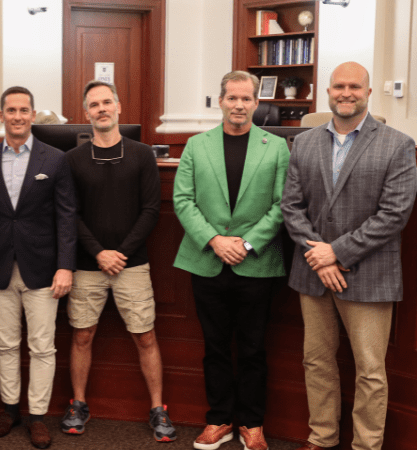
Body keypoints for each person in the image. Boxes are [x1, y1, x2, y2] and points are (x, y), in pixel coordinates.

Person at [281, 61, 417, 450]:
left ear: (368, 93)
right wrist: (319, 256)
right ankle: (322, 437)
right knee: (316, 361)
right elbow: (291, 207)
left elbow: (394, 214)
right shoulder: (304, 143)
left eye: (354, 87)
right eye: (339, 86)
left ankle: (365, 445)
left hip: (369, 274)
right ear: (328, 92)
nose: (346, 93)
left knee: (370, 370)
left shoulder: (397, 144)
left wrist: (335, 253)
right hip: (313, 273)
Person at [173, 70, 290, 450]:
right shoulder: (196, 145)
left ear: (257, 103)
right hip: (208, 261)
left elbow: (282, 204)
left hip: (257, 263)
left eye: (246, 99)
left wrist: (248, 243)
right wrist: (215, 240)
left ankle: (252, 425)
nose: (239, 105)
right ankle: (219, 420)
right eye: (232, 98)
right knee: (215, 346)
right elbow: (182, 200)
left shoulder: (277, 147)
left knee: (254, 349)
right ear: (221, 100)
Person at [62, 80, 177, 443]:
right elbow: (70, 213)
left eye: (107, 102)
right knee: (82, 335)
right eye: (94, 104)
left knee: (145, 335)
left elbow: (151, 209)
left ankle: (158, 409)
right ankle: (78, 404)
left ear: (118, 106)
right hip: (87, 264)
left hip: (132, 264)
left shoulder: (142, 155)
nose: (102, 109)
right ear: (86, 113)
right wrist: (99, 252)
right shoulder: (72, 160)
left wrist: (120, 253)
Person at [0, 86, 76, 449]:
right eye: (11, 110)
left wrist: (65, 266)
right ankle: (10, 410)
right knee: (5, 344)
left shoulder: (55, 159)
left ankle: (37, 416)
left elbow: (66, 217)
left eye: (24, 110)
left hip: (43, 269)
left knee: (42, 346)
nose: (17, 116)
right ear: (1, 115)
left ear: (32, 115)